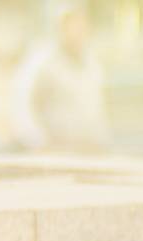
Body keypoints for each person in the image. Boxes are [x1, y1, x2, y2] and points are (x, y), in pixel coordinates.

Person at [9, 1, 111, 152]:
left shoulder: (92, 64)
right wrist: (38, 142)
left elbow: (97, 110)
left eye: (82, 24)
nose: (78, 30)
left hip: (88, 151)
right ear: (61, 26)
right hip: (55, 153)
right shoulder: (42, 63)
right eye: (72, 24)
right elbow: (21, 105)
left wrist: (102, 142)